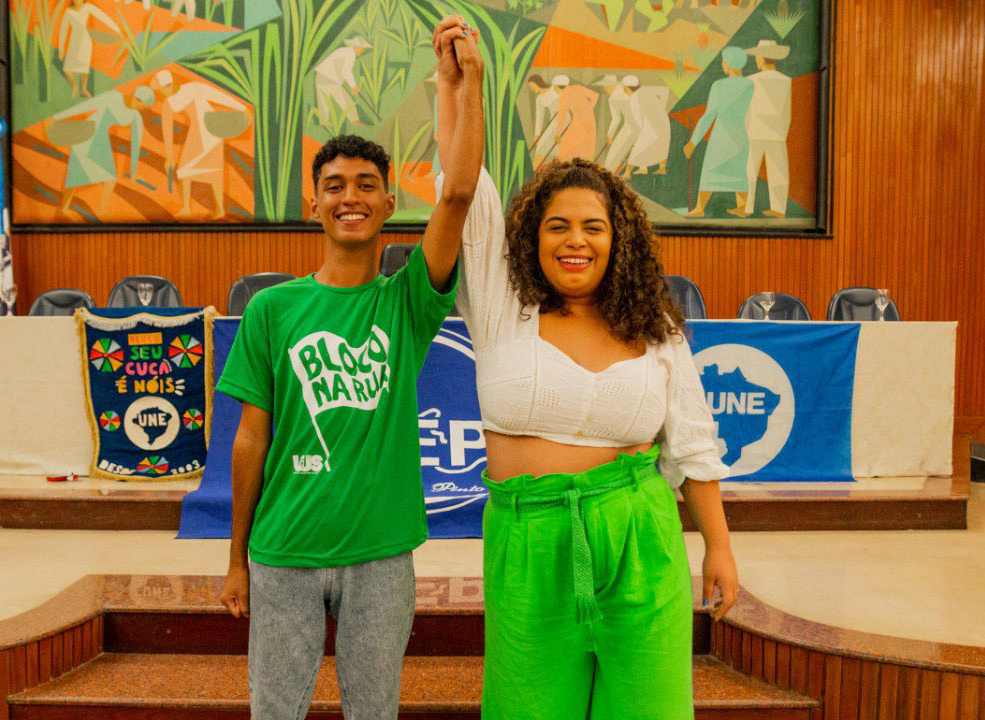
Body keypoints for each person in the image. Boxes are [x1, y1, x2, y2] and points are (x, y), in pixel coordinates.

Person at [216, 15, 484, 720]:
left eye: (367, 184)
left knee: (376, 711)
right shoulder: (273, 310)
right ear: (314, 204)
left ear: (390, 205)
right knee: (275, 712)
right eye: (334, 184)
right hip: (282, 552)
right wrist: (236, 557)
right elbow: (250, 441)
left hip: (380, 557)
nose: (350, 196)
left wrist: (467, 83)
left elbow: (456, 194)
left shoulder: (408, 303)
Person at [436, 108, 738, 718]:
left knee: (648, 708)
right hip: (531, 540)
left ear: (617, 239)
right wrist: (460, 87)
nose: (576, 241)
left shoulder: (654, 326)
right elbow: (465, 187)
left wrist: (720, 548)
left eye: (593, 228)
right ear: (531, 237)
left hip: (640, 535)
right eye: (558, 226)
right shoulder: (502, 306)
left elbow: (692, 443)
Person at [150, 69, 251, 219]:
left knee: (191, 170)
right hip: (201, 132)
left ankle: (194, 209)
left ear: (166, 86)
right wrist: (169, 156)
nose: (161, 94)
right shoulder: (169, 103)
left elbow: (218, 96)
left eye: (160, 91)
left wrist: (242, 108)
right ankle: (206, 209)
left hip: (210, 129)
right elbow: (167, 130)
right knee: (196, 171)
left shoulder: (193, 87)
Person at [48, 85, 154, 221]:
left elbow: (136, 143)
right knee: (76, 173)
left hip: (100, 140)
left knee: (110, 179)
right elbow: (86, 106)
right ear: (137, 97)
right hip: (86, 133)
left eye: (143, 108)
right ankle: (64, 208)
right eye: (142, 105)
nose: (140, 109)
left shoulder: (135, 116)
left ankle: (102, 211)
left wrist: (133, 172)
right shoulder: (113, 97)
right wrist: (57, 117)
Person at [684, 46, 754, 217]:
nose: (722, 64)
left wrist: (693, 142)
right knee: (738, 172)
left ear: (728, 63)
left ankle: (700, 209)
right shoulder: (750, 84)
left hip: (722, 136)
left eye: (724, 61)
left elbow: (708, 115)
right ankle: (742, 208)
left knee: (710, 171)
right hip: (740, 135)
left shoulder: (719, 85)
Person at [742, 40, 792, 217]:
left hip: (754, 130)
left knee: (749, 171)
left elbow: (747, 110)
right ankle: (779, 209)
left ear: (762, 58)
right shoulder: (786, 81)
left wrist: (745, 130)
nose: (756, 59)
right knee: (779, 172)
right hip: (777, 132)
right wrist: (782, 132)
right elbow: (787, 111)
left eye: (757, 56)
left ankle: (747, 208)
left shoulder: (751, 81)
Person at [57, 0, 117, 99]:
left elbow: (103, 17)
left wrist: (117, 30)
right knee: (67, 70)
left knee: (84, 69)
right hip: (73, 42)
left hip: (85, 41)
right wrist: (61, 49)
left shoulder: (88, 7)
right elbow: (63, 30)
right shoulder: (68, 11)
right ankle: (74, 86)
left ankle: (84, 89)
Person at [314, 37, 371, 126]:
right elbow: (346, 71)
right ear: (358, 47)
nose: (363, 51)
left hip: (321, 76)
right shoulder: (350, 53)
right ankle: (354, 120)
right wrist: (353, 86)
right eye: (363, 48)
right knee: (344, 99)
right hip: (329, 78)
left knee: (324, 100)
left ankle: (324, 121)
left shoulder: (345, 51)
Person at [624, 75, 673, 175]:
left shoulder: (634, 98)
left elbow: (638, 120)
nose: (624, 91)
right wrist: (663, 107)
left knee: (637, 149)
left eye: (624, 88)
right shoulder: (646, 89)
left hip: (651, 126)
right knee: (661, 147)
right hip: (663, 121)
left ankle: (627, 173)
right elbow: (665, 90)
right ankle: (653, 168)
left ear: (628, 87)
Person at [596, 75, 637, 177]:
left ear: (611, 85)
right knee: (614, 153)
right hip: (628, 126)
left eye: (605, 86)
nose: (604, 89)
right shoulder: (614, 97)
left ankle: (610, 174)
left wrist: (610, 136)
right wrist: (610, 136)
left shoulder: (617, 97)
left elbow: (616, 119)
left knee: (617, 154)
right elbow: (617, 119)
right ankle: (610, 174)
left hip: (633, 127)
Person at [553, 75, 600, 162]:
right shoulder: (577, 87)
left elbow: (562, 117)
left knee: (569, 145)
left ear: (556, 86)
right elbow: (595, 96)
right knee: (587, 142)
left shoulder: (563, 97)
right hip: (590, 117)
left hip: (579, 120)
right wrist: (589, 108)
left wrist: (558, 134)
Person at [527, 75, 561, 169]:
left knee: (559, 150)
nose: (532, 88)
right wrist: (537, 134)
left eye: (532, 85)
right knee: (541, 146)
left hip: (563, 121)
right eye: (530, 87)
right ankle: (534, 171)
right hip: (553, 122)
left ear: (538, 83)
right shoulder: (539, 98)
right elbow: (539, 117)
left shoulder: (554, 89)